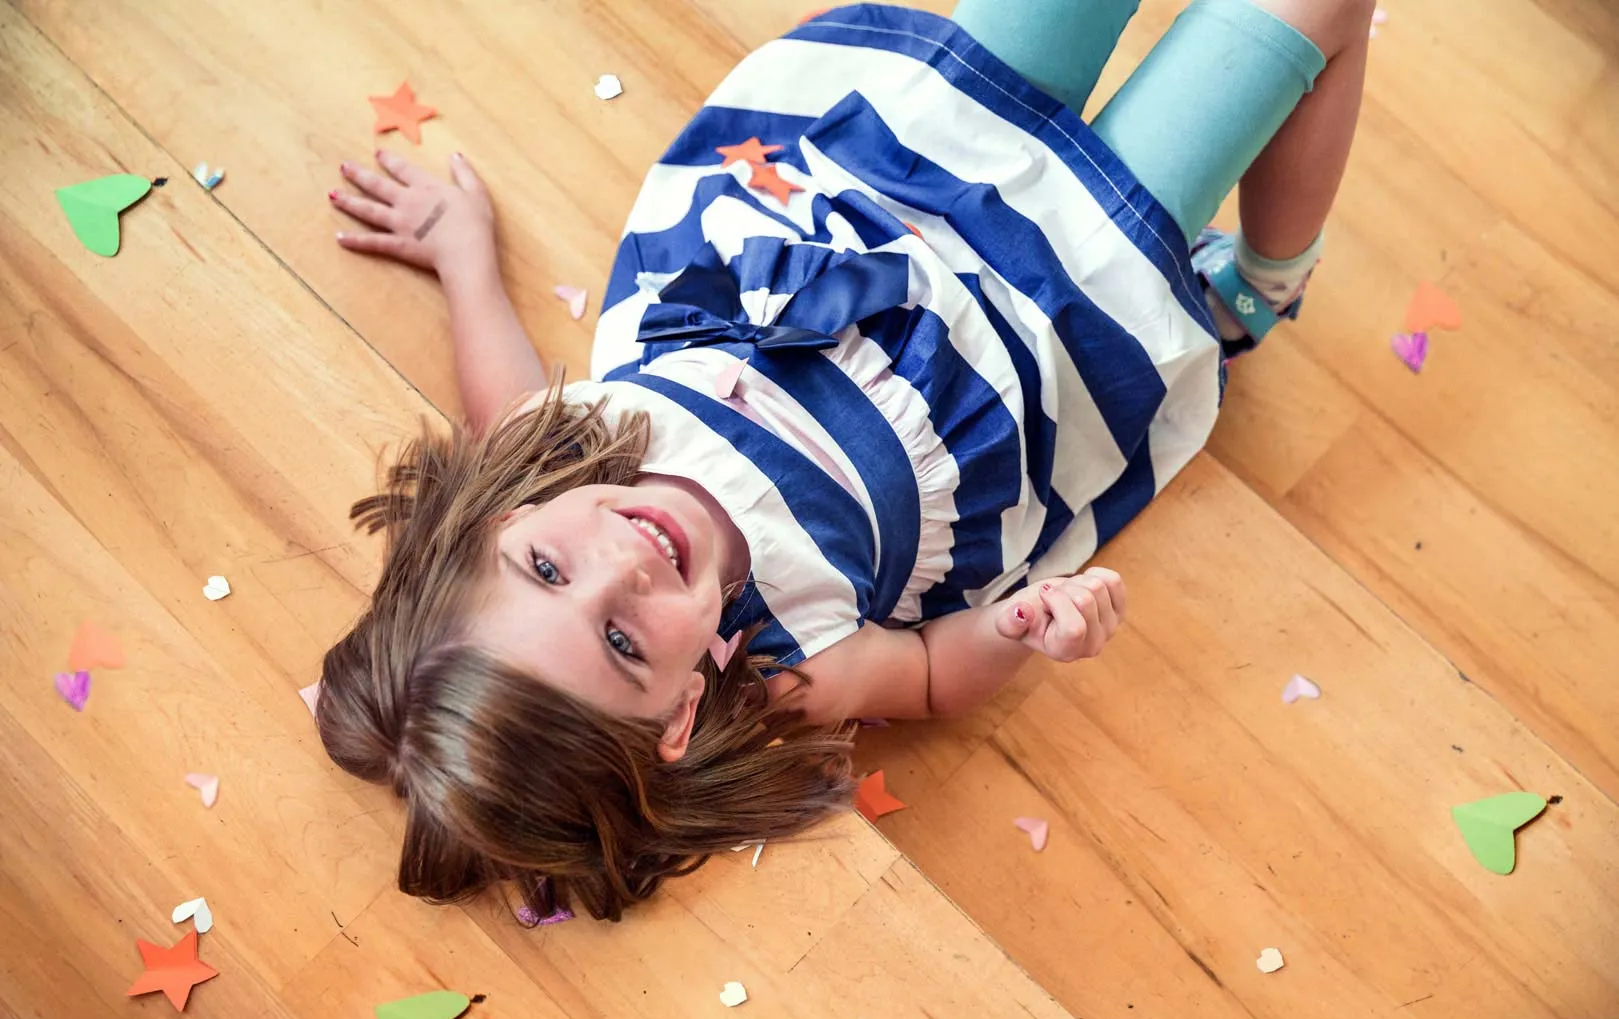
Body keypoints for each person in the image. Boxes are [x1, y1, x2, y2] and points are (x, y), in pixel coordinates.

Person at [315, 0, 1372, 921]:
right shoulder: (788, 668)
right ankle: (1260, 287)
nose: (623, 564)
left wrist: (461, 253)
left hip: (904, 188)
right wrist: (1013, 628)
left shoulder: (542, 451)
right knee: (1314, 12)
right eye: (626, 642)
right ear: (681, 713)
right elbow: (923, 677)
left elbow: (498, 384)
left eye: (548, 569)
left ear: (498, 524)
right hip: (1050, 309)